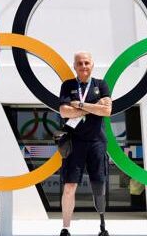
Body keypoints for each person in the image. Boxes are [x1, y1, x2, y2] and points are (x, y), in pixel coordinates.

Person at [59, 51, 112, 236]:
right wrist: (94, 107)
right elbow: (64, 112)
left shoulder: (101, 84)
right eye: (79, 63)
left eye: (86, 63)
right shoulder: (68, 85)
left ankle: (102, 227)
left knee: (99, 185)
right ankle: (65, 228)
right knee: (69, 187)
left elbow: (107, 110)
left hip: (97, 142)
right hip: (75, 143)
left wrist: (80, 105)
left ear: (92, 65)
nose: (83, 66)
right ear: (74, 66)